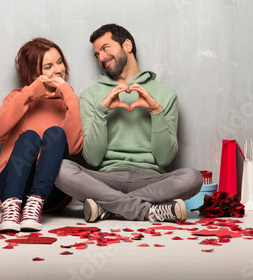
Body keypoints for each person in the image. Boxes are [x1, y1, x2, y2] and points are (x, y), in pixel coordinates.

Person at [55, 24, 203, 224]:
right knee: (58, 168)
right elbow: (93, 159)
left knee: (193, 177)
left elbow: (164, 158)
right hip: (105, 180)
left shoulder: (166, 95)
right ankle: (147, 211)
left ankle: (108, 208)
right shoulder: (91, 96)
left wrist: (156, 111)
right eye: (97, 54)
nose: (101, 57)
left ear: (127, 45)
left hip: (151, 179)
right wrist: (101, 111)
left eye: (105, 48)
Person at [0, 38, 83, 232]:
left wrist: (69, 97)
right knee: (29, 136)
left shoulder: (67, 101)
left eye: (59, 62)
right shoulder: (18, 97)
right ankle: (12, 208)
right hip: (10, 188)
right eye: (48, 66)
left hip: (50, 194)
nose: (58, 70)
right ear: (33, 73)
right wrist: (29, 93)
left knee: (55, 133)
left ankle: (34, 206)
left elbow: (73, 147)